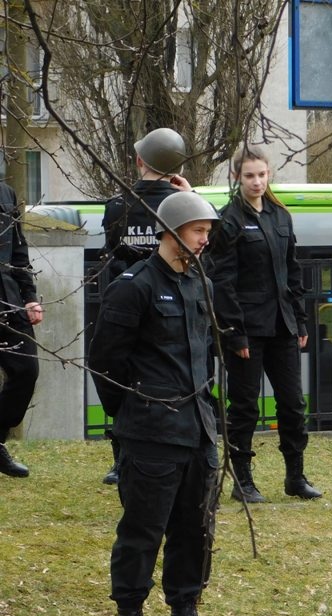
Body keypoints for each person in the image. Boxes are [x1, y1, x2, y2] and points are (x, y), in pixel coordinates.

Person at [89, 191, 228, 616]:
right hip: (151, 435)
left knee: (195, 534)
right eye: (198, 231)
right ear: (171, 232)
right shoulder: (134, 286)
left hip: (197, 432)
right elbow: (105, 362)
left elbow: (202, 357)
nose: (205, 239)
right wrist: (132, 416)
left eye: (207, 231)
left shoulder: (199, 283)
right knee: (142, 534)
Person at [207, 145, 322, 502]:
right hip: (247, 329)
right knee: (244, 406)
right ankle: (242, 480)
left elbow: (292, 271)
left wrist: (300, 320)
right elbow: (223, 282)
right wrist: (234, 332)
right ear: (236, 177)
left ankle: (295, 477)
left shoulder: (280, 216)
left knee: (293, 403)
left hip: (283, 325)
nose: (257, 182)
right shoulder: (227, 221)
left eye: (261, 174)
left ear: (269, 174)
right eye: (249, 176)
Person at [98, 127, 192, 486]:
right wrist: (191, 195)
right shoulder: (181, 204)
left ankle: (120, 458)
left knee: (123, 376)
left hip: (125, 302)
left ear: (139, 160)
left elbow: (113, 254)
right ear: (176, 168)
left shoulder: (116, 206)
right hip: (170, 305)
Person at [0, 180, 43, 478]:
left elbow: (18, 249)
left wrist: (29, 296)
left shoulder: (6, 192)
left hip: (8, 296)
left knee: (27, 370)